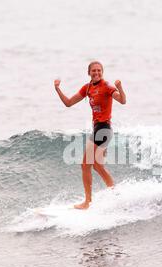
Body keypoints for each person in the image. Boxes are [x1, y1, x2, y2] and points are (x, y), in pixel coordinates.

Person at [54, 61, 126, 209]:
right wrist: (57, 89)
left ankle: (87, 202)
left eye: (99, 70)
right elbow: (68, 103)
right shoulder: (87, 88)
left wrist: (119, 87)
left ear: (102, 72)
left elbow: (122, 100)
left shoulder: (107, 87)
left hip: (104, 128)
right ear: (89, 73)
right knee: (97, 166)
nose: (97, 73)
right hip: (98, 129)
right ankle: (114, 192)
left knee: (85, 165)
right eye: (94, 71)